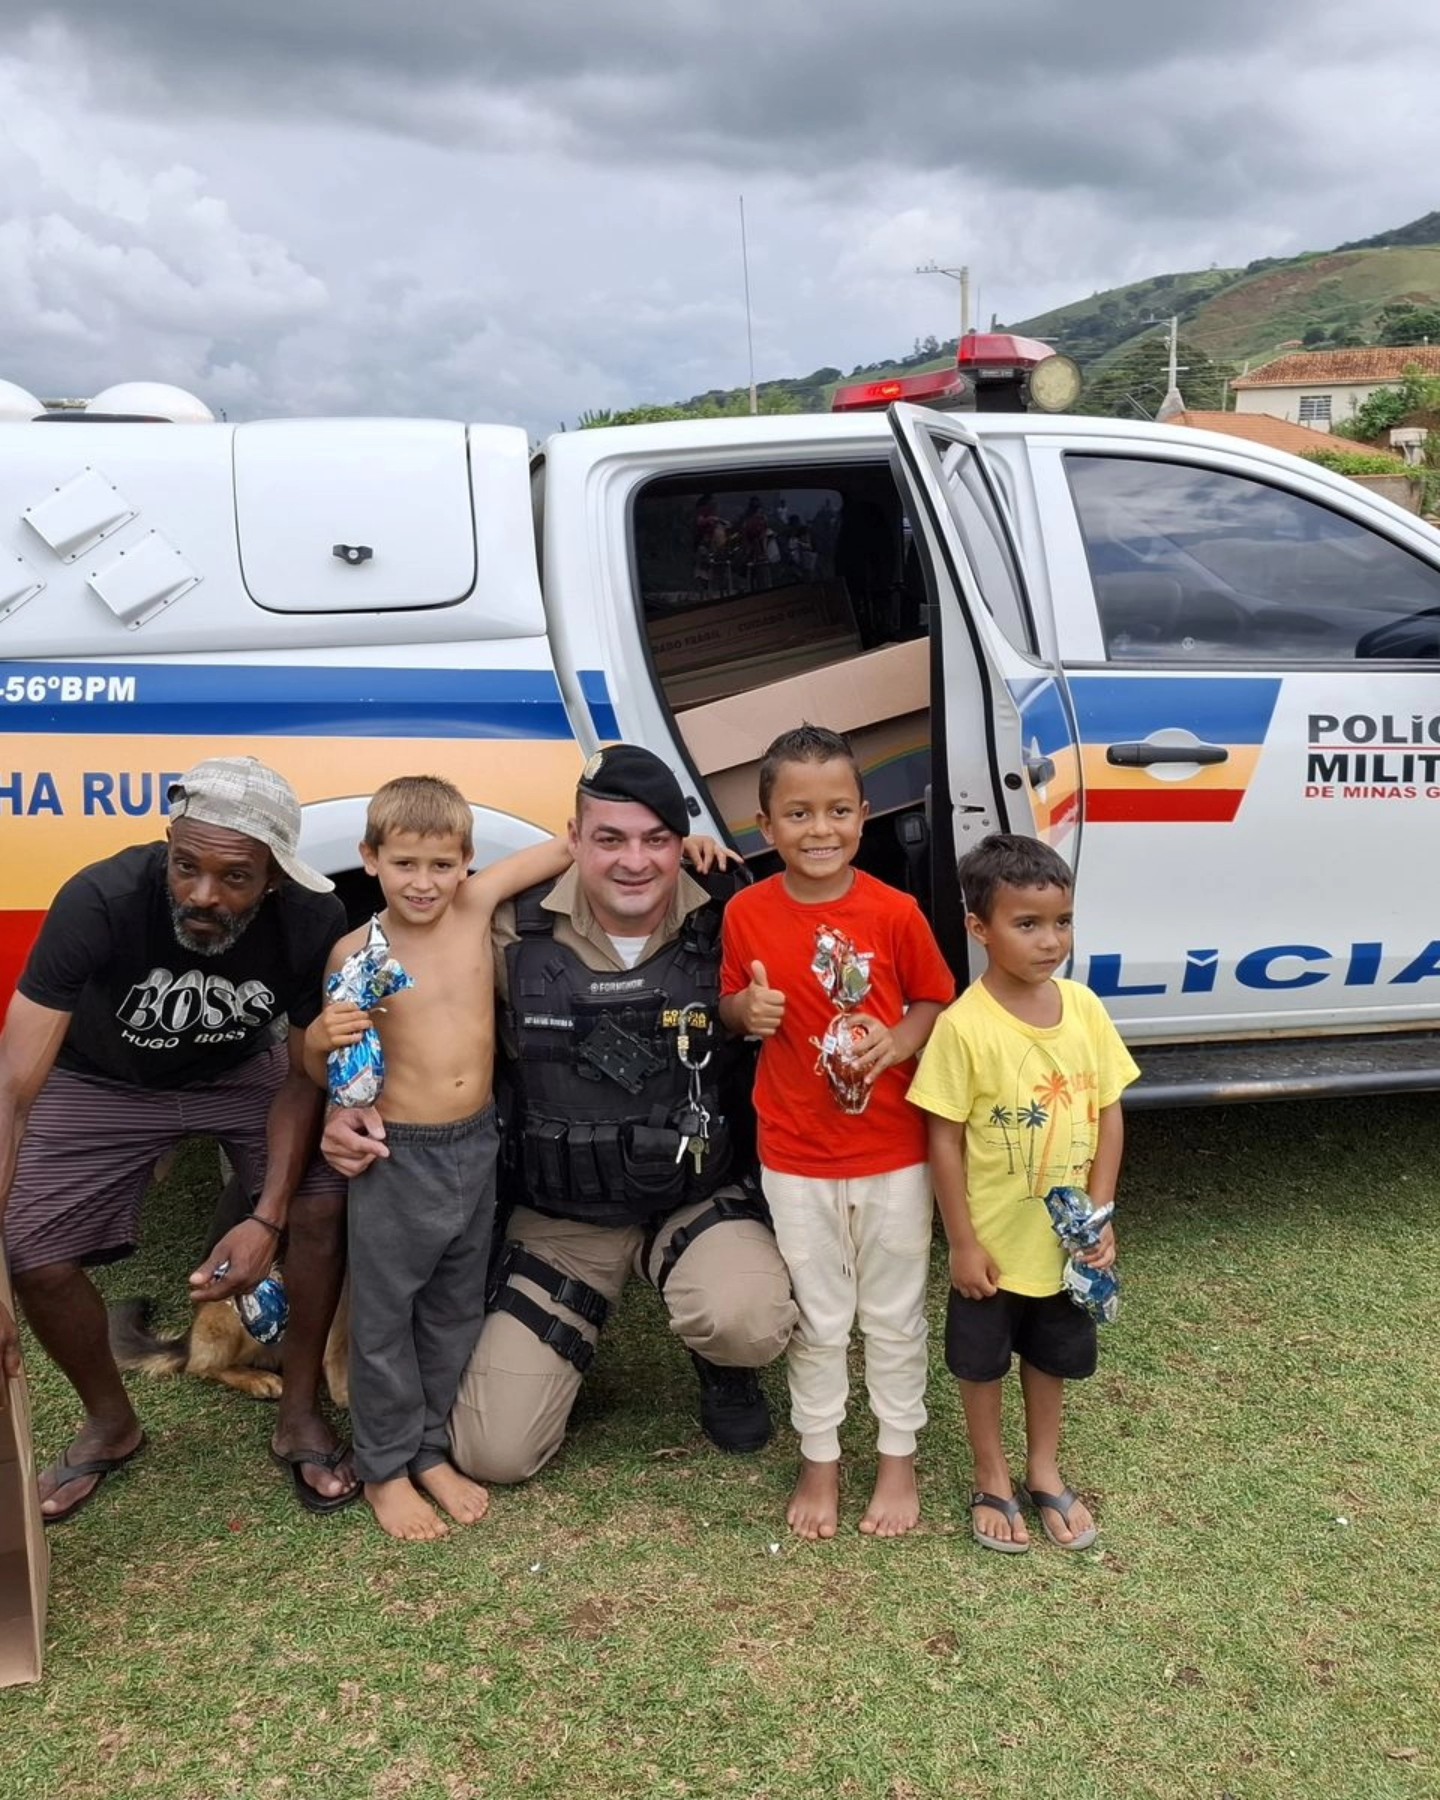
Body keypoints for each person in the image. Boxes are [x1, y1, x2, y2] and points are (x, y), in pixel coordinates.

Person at [323, 746, 797, 1486]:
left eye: (657, 839)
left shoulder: (732, 907)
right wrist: (338, 1108)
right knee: (493, 1452)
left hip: (691, 1194)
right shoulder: (499, 927)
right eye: (610, 838)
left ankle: (721, 1363)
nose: (634, 860)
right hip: (564, 1215)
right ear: (574, 838)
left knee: (746, 1318)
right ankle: (564, 1325)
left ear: (681, 841)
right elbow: (376, 1030)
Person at [0, 756, 356, 1521]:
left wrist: (268, 1219)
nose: (202, 894)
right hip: (101, 1079)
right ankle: (111, 1423)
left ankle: (299, 1412)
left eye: (235, 877)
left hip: (242, 1074)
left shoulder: (311, 920)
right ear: (169, 844)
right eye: (187, 865)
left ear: (274, 877)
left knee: (322, 1204)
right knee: (33, 1250)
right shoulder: (99, 898)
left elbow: (303, 1079)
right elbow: (12, 1086)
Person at [304, 776, 579, 1541]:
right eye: (404, 864)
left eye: (440, 864)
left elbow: (571, 844)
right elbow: (333, 1071)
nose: (423, 882)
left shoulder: (476, 905)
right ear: (370, 858)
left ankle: (427, 1449)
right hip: (400, 1156)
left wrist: (679, 834)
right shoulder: (359, 953)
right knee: (385, 1317)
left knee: (456, 1306)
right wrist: (316, 1042)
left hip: (476, 1142)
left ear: (466, 861)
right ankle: (384, 1468)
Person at [719, 725, 954, 1540]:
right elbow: (729, 1005)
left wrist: (902, 1039)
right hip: (796, 1155)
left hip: (893, 1151)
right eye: (798, 813)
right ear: (765, 825)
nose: (820, 829)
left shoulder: (895, 911)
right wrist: (744, 1012)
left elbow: (933, 998)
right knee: (818, 1317)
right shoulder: (746, 913)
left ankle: (897, 1455)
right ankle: (820, 1455)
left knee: (894, 1312)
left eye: (838, 810)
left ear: (863, 814)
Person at [907, 833, 1139, 1554]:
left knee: (1053, 1356)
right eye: (1028, 924)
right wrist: (963, 1242)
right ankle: (991, 1475)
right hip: (994, 1252)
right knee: (981, 1363)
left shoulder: (1085, 1009)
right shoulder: (962, 1028)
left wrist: (1099, 1215)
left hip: (1065, 1251)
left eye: (1062, 921)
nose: (1051, 941)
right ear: (979, 927)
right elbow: (943, 1141)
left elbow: (1109, 1113)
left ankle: (1043, 1468)